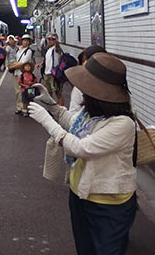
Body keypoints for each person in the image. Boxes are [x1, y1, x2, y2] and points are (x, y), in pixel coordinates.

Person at [29, 52, 137, 255]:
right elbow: (73, 123)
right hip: (81, 195)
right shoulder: (92, 114)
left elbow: (81, 147)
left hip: (109, 204)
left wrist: (47, 121)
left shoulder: (122, 124)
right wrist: (51, 104)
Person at [69, 45, 107, 112]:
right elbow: (73, 113)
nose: (84, 64)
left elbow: (73, 114)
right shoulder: (80, 86)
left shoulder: (81, 86)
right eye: (83, 61)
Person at [7, 34, 34, 114]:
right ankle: (19, 107)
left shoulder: (28, 51)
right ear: (21, 41)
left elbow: (23, 63)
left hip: (24, 74)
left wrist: (12, 66)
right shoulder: (18, 49)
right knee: (17, 91)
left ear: (29, 42)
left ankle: (24, 108)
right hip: (16, 72)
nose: (25, 42)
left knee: (23, 91)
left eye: (27, 41)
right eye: (24, 40)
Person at [37, 33, 64, 105]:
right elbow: (47, 59)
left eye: (51, 39)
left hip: (54, 74)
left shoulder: (56, 49)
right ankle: (51, 108)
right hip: (47, 73)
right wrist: (42, 63)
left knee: (58, 93)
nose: (49, 41)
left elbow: (58, 47)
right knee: (49, 92)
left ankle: (61, 109)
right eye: (48, 39)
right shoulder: (48, 49)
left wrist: (56, 41)